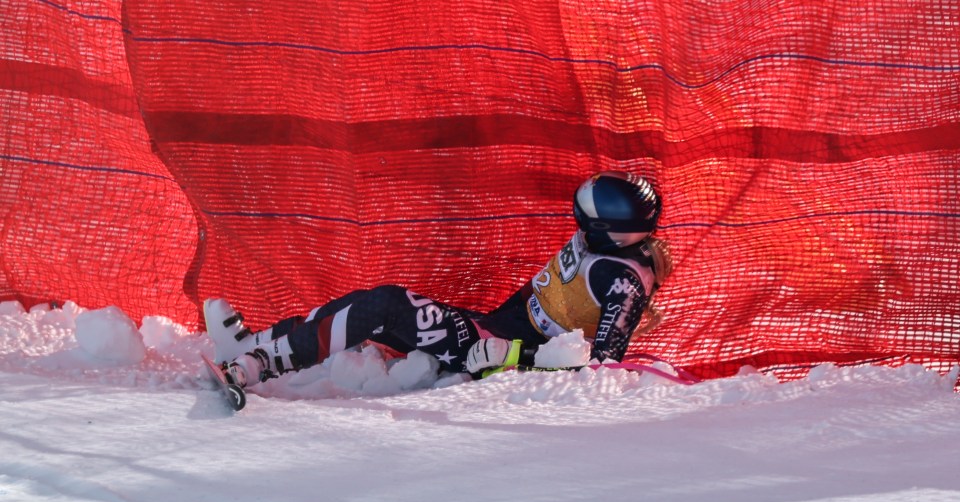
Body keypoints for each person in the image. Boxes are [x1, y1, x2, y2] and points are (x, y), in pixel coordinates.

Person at [205, 170, 672, 387]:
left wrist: (511, 354)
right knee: (375, 306)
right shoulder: (605, 246)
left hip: (493, 353)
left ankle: (259, 365)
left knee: (387, 305)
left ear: (603, 229)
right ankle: (258, 343)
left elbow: (603, 365)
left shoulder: (622, 282)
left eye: (582, 217)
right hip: (493, 331)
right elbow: (542, 296)